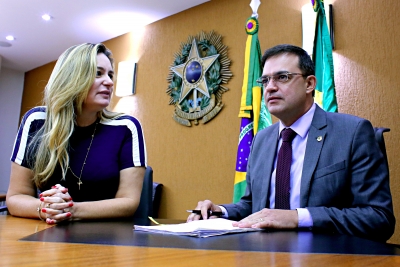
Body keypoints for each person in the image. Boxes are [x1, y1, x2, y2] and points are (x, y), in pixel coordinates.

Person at [187, 44, 395, 241]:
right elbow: (253, 205)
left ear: (309, 84)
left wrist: (297, 217)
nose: (270, 88)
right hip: (263, 256)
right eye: (265, 80)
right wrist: (221, 211)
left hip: (326, 257)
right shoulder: (261, 139)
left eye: (282, 77)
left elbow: (377, 218)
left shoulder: (352, 133)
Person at [7, 43, 147, 224]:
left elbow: (128, 202)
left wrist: (71, 209)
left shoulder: (126, 127)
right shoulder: (36, 120)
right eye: (98, 73)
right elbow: (16, 196)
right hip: (46, 236)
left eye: (110, 75)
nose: (110, 82)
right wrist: (45, 208)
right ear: (72, 77)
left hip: (106, 238)